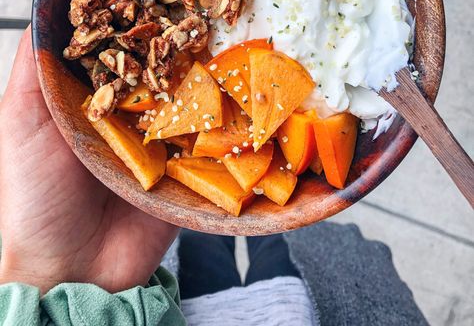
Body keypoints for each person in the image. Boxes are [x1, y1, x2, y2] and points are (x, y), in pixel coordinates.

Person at [0, 29, 428, 325]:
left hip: (166, 299)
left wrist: (50, 272)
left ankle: (225, 233)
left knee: (207, 244)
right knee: (308, 244)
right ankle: (248, 236)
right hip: (325, 301)